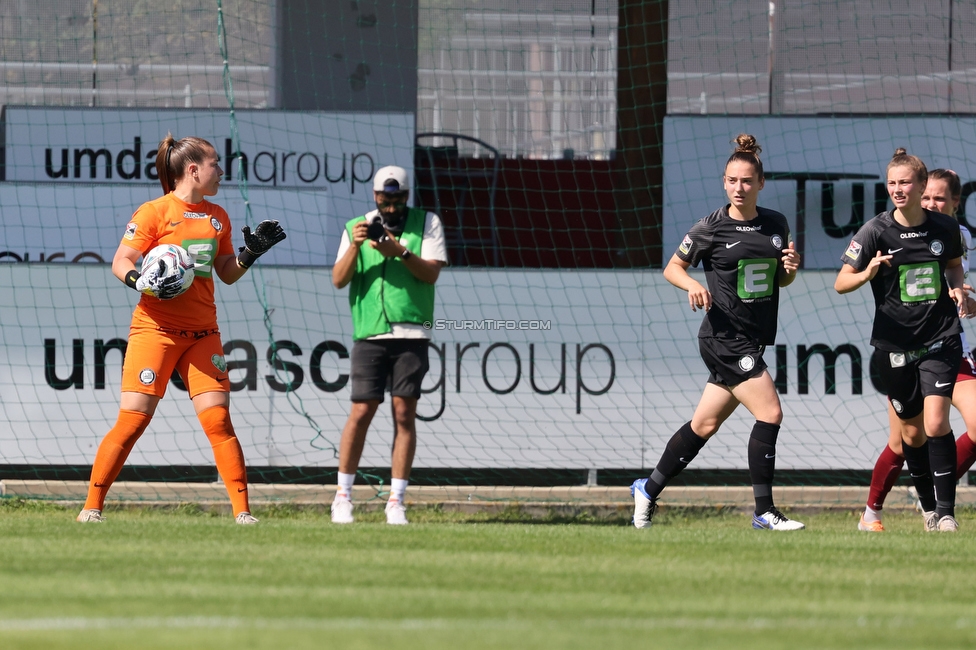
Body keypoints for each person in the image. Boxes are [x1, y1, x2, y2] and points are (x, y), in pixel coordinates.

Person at [76, 134, 287, 524]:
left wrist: (250, 254)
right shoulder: (154, 212)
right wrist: (139, 280)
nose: (221, 171)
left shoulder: (217, 216)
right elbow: (121, 260)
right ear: (193, 170)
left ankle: (243, 514)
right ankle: (91, 508)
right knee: (134, 419)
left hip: (204, 334)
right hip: (155, 330)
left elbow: (226, 274)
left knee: (218, 421)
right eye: (215, 164)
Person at [631, 134, 805, 531]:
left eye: (746, 181)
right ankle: (764, 511)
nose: (738, 188)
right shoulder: (711, 227)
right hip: (724, 337)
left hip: (752, 336)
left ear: (761, 183)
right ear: (724, 183)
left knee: (704, 425)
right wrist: (692, 284)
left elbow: (778, 281)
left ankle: (648, 488)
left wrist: (790, 270)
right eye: (731, 180)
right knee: (771, 412)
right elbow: (673, 267)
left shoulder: (775, 223)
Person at [836, 150, 967, 533]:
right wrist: (868, 271)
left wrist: (957, 290)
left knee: (936, 421)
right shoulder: (874, 231)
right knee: (911, 434)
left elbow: (955, 267)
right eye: (892, 183)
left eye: (905, 182)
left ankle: (946, 514)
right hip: (894, 347)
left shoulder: (945, 229)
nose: (897, 189)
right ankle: (928, 509)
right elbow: (841, 281)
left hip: (941, 338)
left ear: (922, 186)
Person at [330, 165, 448, 525]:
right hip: (370, 331)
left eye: (397, 199)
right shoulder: (356, 226)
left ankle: (396, 500)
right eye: (385, 199)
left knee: (403, 414)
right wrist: (356, 244)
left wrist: (400, 252)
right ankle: (342, 497)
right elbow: (338, 279)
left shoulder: (427, 223)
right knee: (361, 411)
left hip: (412, 332)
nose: (391, 207)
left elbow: (431, 273)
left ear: (407, 196)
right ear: (375, 196)